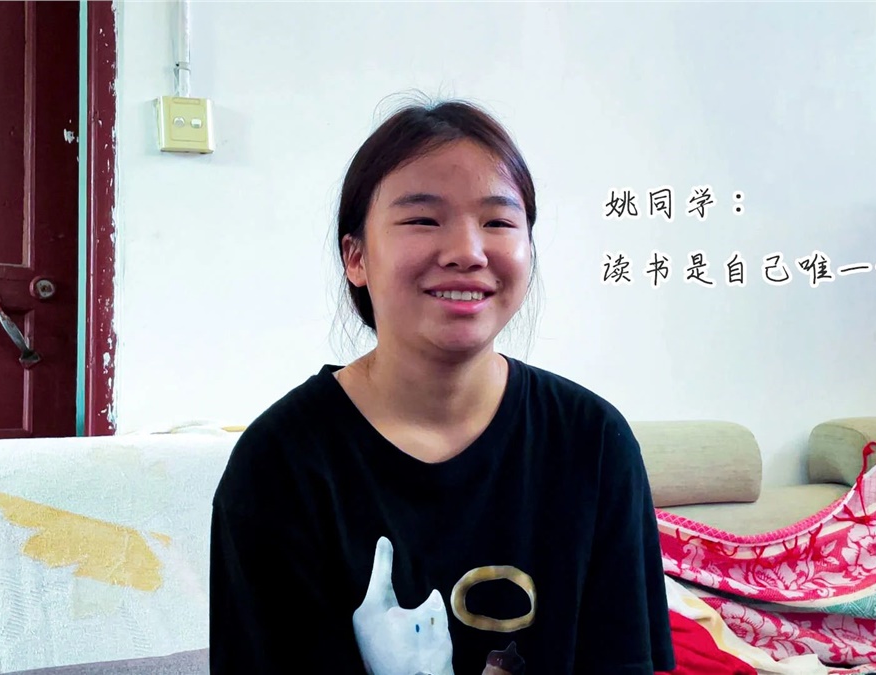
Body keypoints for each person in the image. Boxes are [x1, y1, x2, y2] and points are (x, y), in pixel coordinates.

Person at [210, 98, 676, 675]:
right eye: (423, 220)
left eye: (498, 222)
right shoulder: (279, 464)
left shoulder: (594, 442)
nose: (467, 253)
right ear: (356, 257)